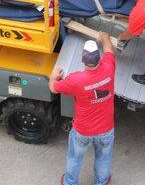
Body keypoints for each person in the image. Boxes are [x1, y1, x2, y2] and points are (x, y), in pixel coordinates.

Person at [49, 32, 116, 185]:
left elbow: (53, 88)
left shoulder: (75, 80)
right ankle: (102, 181)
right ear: (99, 58)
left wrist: (53, 76)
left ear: (82, 60)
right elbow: (109, 51)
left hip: (82, 131)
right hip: (106, 129)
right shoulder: (109, 68)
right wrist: (104, 38)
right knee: (104, 158)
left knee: (75, 158)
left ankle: (70, 182)